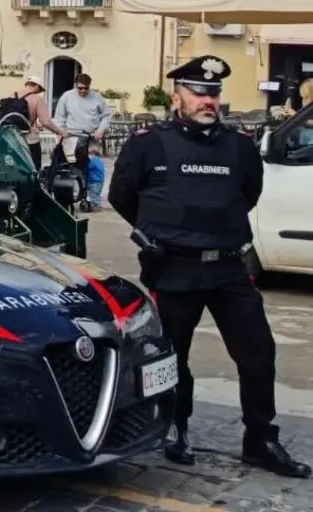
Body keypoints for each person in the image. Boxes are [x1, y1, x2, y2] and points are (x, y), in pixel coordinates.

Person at [109, 54, 310, 478]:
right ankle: (177, 428)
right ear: (177, 95)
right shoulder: (147, 144)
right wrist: (158, 232)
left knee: (258, 353)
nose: (208, 101)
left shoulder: (238, 147)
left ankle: (261, 439)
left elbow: (247, 194)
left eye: (214, 93)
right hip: (175, 270)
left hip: (229, 270)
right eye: (198, 92)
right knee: (174, 357)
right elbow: (122, 197)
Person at [51, 72, 111, 169]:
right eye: (80, 88)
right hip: (71, 137)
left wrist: (101, 129)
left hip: (91, 138)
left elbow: (106, 115)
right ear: (75, 85)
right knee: (71, 166)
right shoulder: (67, 97)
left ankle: (89, 184)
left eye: (86, 88)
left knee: (91, 166)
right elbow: (59, 117)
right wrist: (60, 132)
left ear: (89, 86)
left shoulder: (97, 97)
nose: (83, 90)